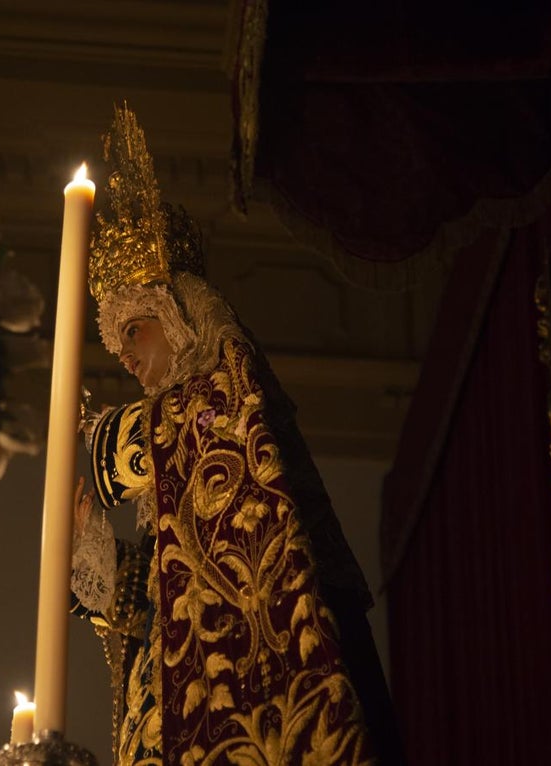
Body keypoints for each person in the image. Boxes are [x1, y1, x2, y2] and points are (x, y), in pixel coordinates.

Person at [71, 106, 403, 766]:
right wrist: (96, 564)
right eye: (118, 349)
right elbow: (154, 618)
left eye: (133, 333)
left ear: (177, 315)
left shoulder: (231, 390)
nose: (128, 361)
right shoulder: (184, 441)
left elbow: (210, 436)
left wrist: (112, 441)